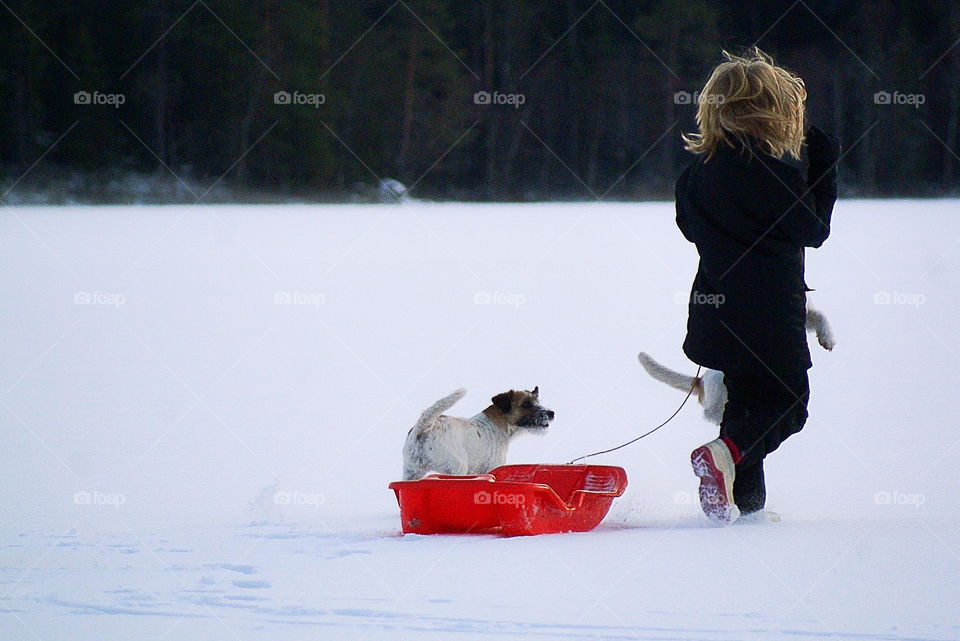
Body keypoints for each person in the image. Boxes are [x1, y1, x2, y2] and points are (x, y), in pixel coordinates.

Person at [674, 48, 840, 524]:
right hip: (768, 314)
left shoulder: (695, 173)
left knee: (745, 411)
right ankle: (723, 458)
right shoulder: (772, 174)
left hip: (715, 312)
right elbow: (814, 231)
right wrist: (823, 168)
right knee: (788, 404)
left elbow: (689, 228)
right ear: (771, 112)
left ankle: (742, 514)